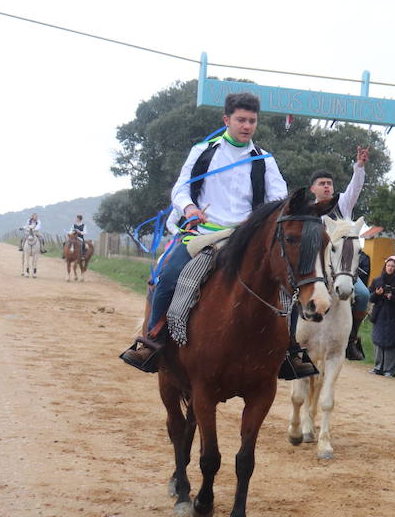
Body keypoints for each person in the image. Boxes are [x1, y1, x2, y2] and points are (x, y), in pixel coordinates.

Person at [121, 92, 302, 375]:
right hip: (203, 233)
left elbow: (278, 197)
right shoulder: (204, 151)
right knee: (168, 276)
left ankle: (290, 350)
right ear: (226, 120)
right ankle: (152, 342)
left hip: (245, 239)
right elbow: (180, 188)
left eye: (252, 121)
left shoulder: (265, 160)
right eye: (241, 120)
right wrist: (190, 207)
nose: (247, 126)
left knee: (287, 284)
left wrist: (257, 221)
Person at [307, 148, 371, 357]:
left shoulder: (342, 204)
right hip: (313, 266)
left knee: (362, 294)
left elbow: (355, 188)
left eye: (329, 183)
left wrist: (359, 167)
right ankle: (290, 340)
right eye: (322, 184)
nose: (327, 187)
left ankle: (351, 339)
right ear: (312, 189)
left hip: (341, 267)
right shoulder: (306, 211)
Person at [368, 258, 395, 377]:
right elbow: (370, 297)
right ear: (385, 267)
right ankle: (378, 367)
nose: (390, 268)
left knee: (392, 341)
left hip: (394, 315)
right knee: (379, 339)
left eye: (392, 266)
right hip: (380, 313)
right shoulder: (378, 280)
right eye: (388, 266)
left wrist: (392, 297)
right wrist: (377, 294)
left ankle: (390, 369)